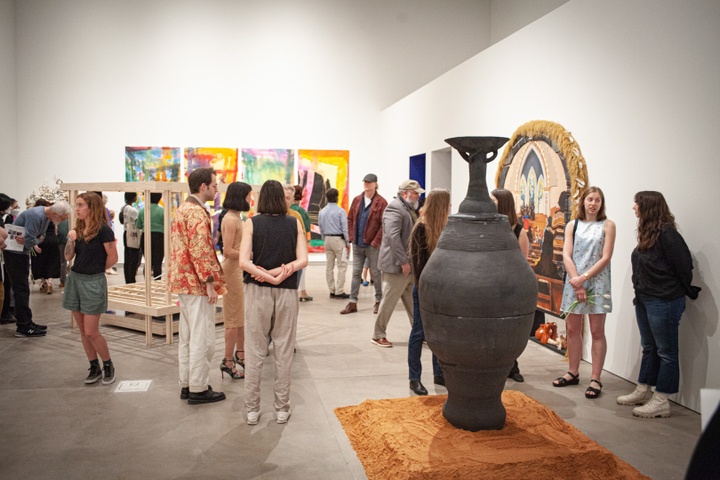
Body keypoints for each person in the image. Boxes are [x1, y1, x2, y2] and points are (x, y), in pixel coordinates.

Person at [617, 191, 701, 418]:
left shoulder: (668, 235)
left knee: (666, 352)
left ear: (648, 207)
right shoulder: (649, 234)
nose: (633, 207)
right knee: (650, 348)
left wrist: (679, 290)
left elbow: (684, 266)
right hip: (646, 299)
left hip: (663, 301)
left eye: (637, 203)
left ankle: (662, 399)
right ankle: (644, 389)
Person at [240, 180, 308, 425]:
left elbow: (243, 262)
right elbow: (303, 259)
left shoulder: (252, 223)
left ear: (260, 198)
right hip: (287, 291)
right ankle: (282, 408)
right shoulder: (293, 222)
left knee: (255, 349)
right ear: (282, 198)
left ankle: (252, 409)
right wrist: (282, 273)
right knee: (284, 350)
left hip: (257, 290)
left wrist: (266, 275)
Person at [168, 168, 227, 405]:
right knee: (202, 337)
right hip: (196, 284)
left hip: (183, 282)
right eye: (214, 185)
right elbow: (201, 250)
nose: (216, 189)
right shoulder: (196, 213)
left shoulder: (182, 209)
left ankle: (187, 383)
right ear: (203, 187)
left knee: (188, 336)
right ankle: (199, 388)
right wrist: (210, 283)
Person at [553, 187, 615, 399]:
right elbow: (566, 255)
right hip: (574, 281)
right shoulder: (573, 225)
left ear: (601, 203)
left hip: (597, 283)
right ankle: (573, 371)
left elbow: (605, 257)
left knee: (597, 331)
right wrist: (577, 283)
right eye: (590, 199)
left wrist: (584, 278)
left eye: (598, 200)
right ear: (583, 202)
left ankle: (596, 378)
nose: (593, 203)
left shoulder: (608, 225)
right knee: (572, 329)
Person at [62, 192, 118, 385]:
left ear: (91, 207)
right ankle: (93, 366)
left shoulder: (103, 230)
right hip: (75, 280)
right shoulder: (77, 228)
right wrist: (71, 239)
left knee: (91, 331)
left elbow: (113, 257)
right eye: (76, 205)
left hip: (93, 281)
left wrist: (96, 270)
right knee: (83, 331)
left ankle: (108, 364)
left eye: (80, 205)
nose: (76, 209)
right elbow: (68, 257)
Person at [5, 200, 71, 337]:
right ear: (55, 214)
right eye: (63, 218)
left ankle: (27, 322)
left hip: (21, 252)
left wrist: (34, 239)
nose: (63, 221)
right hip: (15, 253)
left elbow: (40, 237)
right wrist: (34, 239)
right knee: (21, 289)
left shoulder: (45, 216)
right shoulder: (37, 216)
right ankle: (23, 326)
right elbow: (32, 239)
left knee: (23, 289)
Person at [372, 180, 424, 348]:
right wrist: (403, 262)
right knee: (388, 301)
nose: (418, 195)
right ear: (405, 193)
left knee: (412, 302)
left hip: (408, 266)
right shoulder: (395, 208)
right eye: (416, 193)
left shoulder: (409, 209)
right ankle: (378, 334)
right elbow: (393, 237)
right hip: (397, 267)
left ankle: (419, 332)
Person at [407, 188, 449, 395]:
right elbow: (419, 267)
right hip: (424, 290)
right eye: (448, 205)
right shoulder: (421, 229)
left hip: (439, 290)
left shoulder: (443, 229)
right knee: (419, 332)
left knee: (438, 334)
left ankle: (438, 373)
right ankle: (414, 378)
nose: (450, 209)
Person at [492, 188, 530, 383]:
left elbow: (523, 261)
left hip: (509, 287)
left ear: (502, 203)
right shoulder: (489, 227)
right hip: (491, 284)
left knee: (509, 329)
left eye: (493, 200)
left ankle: (511, 366)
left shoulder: (518, 230)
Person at [340, 173, 387, 315]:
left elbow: (383, 225)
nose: (366, 184)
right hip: (357, 243)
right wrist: (351, 236)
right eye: (365, 182)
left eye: (369, 182)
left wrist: (375, 242)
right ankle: (352, 302)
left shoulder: (381, 202)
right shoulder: (357, 200)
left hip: (372, 245)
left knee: (376, 273)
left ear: (375, 184)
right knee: (356, 274)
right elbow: (349, 219)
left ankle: (379, 301)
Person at [219, 181, 252, 380]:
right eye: (248, 196)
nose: (250, 200)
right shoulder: (231, 220)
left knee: (239, 316)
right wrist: (248, 254)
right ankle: (228, 361)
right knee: (232, 319)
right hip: (231, 272)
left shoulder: (236, 218)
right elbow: (227, 250)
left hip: (237, 271)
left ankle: (240, 354)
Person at [317, 188, 350, 299]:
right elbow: (345, 229)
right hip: (338, 240)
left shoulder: (322, 212)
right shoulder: (341, 211)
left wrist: (324, 238)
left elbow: (320, 228)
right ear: (337, 197)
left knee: (329, 266)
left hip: (327, 239)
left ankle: (331, 290)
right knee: (342, 265)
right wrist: (347, 242)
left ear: (327, 198)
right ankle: (339, 291)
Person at [284, 185, 311, 301]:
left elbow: (303, 234)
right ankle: (302, 292)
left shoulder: (296, 215)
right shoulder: (300, 212)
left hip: (294, 255)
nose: (285, 201)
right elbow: (307, 232)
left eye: (288, 198)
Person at [30, 199, 61, 295]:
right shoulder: (51, 216)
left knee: (39, 261)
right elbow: (56, 229)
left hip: (40, 241)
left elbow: (32, 231)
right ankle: (50, 282)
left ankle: (43, 282)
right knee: (52, 261)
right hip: (52, 240)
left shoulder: (35, 216)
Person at [136, 192, 164, 280]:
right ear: (159, 198)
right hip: (159, 237)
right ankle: (157, 283)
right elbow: (168, 224)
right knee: (158, 262)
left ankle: (147, 283)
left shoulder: (142, 211)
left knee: (148, 261)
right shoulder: (162, 211)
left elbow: (138, 226)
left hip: (146, 237)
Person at [119, 192, 141, 284]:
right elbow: (139, 222)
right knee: (133, 257)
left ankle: (128, 278)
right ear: (134, 197)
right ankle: (131, 278)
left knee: (127, 257)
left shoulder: (123, 208)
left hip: (126, 233)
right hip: (132, 235)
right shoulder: (133, 210)